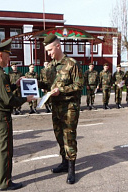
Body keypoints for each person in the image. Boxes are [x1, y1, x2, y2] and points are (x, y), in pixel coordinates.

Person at [0, 38, 35, 191]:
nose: (9, 59)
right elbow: (8, 100)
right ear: (1, 56)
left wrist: (14, 84)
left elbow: (0, 92)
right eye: (8, 56)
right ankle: (5, 182)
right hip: (1, 116)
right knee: (5, 149)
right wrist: (26, 98)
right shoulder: (0, 75)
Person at [41, 34, 83, 184]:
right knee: (59, 135)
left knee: (69, 137)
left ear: (58, 46)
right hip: (56, 107)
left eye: (50, 50)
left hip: (70, 107)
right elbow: (45, 84)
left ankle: (72, 169)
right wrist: (28, 83)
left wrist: (62, 90)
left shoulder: (72, 64)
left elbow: (79, 86)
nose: (49, 53)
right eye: (47, 51)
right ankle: (64, 163)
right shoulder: (50, 67)